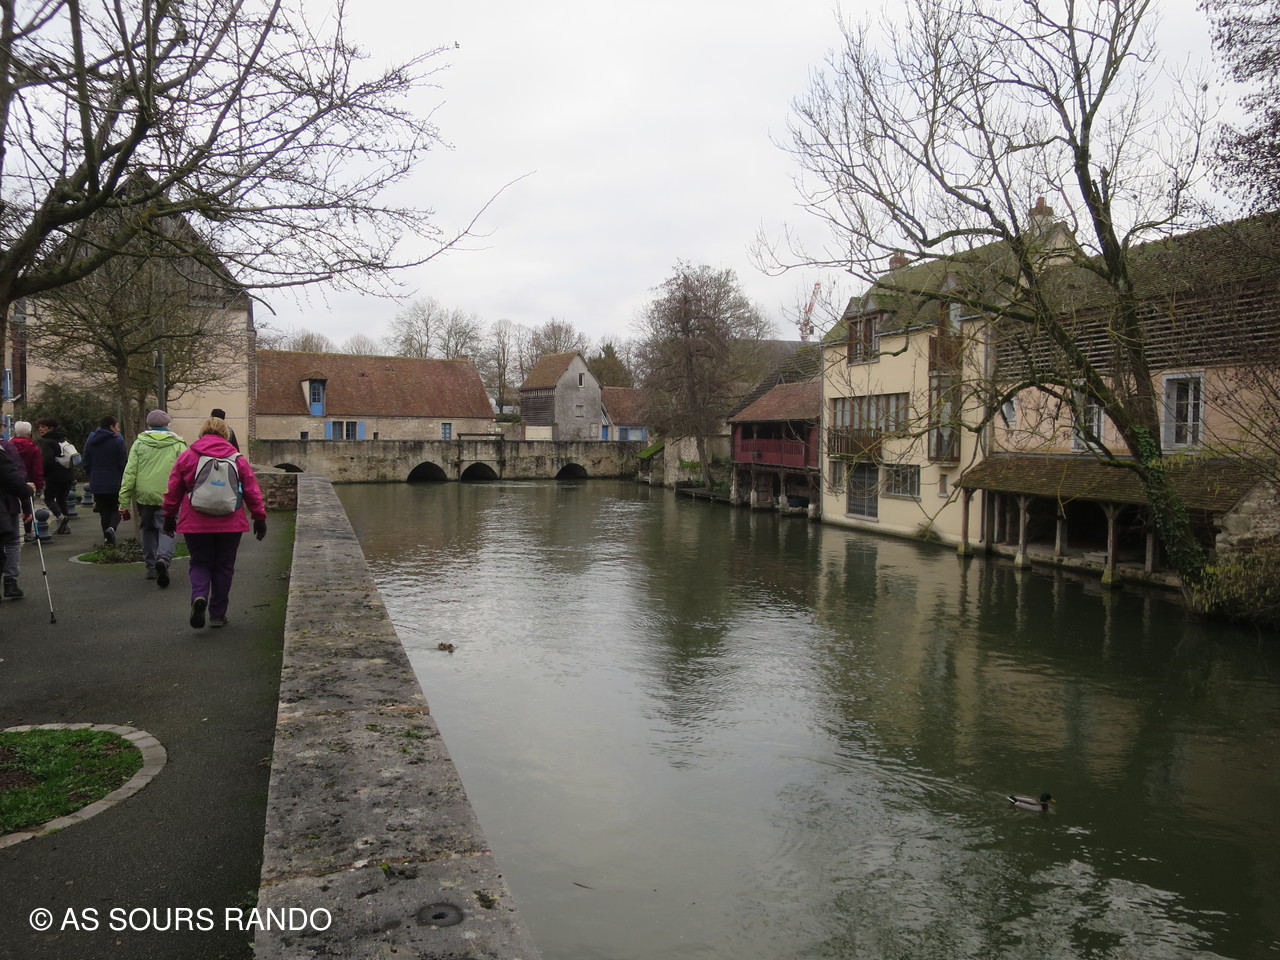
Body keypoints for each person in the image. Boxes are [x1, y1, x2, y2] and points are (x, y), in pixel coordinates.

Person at [163, 417, 266, 629]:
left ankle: (199, 596)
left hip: (195, 521)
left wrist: (169, 515)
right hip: (230, 522)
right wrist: (259, 517)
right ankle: (218, 614)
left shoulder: (188, 456)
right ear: (225, 434)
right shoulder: (237, 458)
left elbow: (173, 488)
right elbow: (251, 490)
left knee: (200, 562)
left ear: (202, 432)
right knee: (224, 566)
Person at [118, 410, 187, 585]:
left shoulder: (139, 443)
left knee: (147, 528)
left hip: (144, 495)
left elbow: (130, 472)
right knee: (167, 528)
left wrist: (124, 501)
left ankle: (150, 566)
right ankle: (163, 558)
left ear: (148, 424)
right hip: (169, 493)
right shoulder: (178, 444)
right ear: (167, 424)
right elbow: (186, 471)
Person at [81, 414, 128, 545]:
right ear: (111, 426)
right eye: (117, 426)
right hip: (114, 480)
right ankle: (111, 528)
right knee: (117, 508)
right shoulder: (117, 441)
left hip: (97, 481)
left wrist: (91, 475)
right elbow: (123, 462)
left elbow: (86, 461)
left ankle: (107, 539)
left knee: (104, 511)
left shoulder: (91, 440)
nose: (118, 429)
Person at [0, 438, 34, 600]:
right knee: (12, 542)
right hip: (6, 504)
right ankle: (10, 581)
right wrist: (27, 495)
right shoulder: (6, 447)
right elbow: (15, 478)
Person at [35, 417, 75, 534]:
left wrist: (43, 474)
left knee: (48, 498)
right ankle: (65, 526)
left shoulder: (48, 442)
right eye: (39, 427)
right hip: (68, 474)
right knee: (62, 499)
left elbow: (47, 461)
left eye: (43, 427)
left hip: (54, 476)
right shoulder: (64, 439)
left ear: (51, 428)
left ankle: (60, 516)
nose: (40, 429)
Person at [8, 422, 44, 542]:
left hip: (11, 479)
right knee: (28, 506)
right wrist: (39, 485)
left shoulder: (8, 446)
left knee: (10, 504)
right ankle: (28, 532)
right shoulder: (33, 448)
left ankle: (10, 531)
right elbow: (37, 469)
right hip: (28, 481)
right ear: (29, 433)